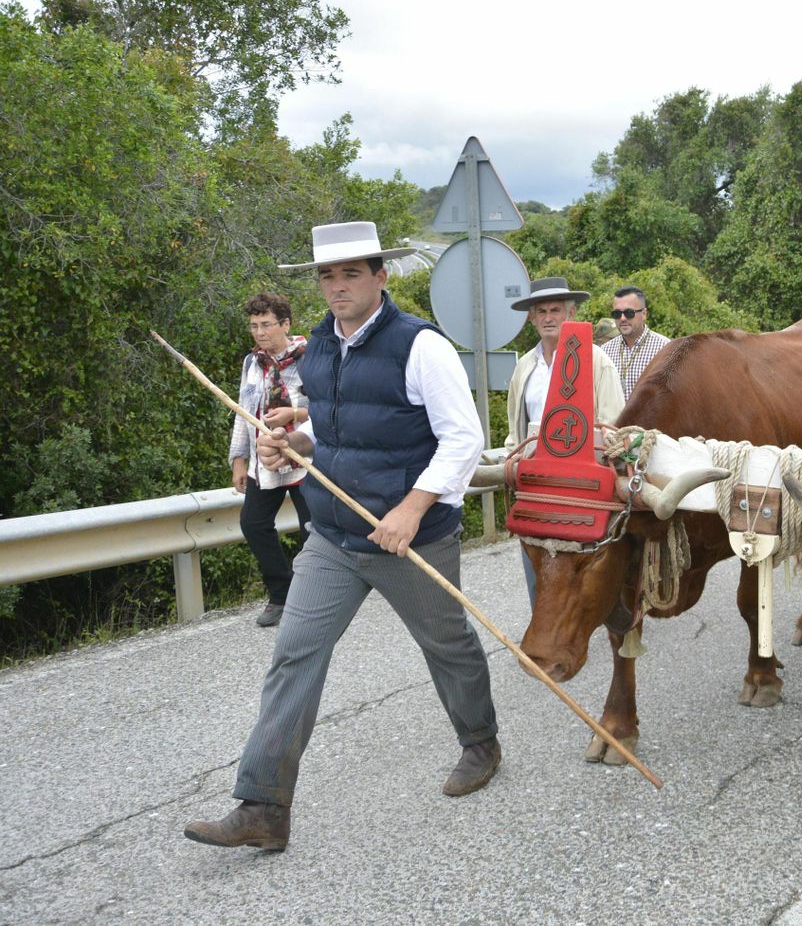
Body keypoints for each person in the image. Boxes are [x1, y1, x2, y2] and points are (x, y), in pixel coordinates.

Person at [185, 222, 501, 852]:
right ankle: (263, 806)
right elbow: (332, 434)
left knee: (448, 645)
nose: (337, 286)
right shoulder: (319, 348)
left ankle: (480, 743)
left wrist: (410, 511)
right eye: (327, 276)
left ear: (381, 276)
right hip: (333, 535)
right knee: (295, 653)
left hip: (410, 539)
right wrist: (294, 443)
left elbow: (464, 439)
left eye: (351, 273)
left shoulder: (420, 345)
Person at [504, 277, 625, 608]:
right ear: (531, 318)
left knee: (585, 566)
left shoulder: (597, 360)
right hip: (535, 482)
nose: (547, 317)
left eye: (556, 309)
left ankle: (593, 621)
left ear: (571, 313)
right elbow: (514, 429)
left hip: (581, 485)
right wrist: (511, 461)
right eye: (540, 310)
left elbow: (614, 423)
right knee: (537, 565)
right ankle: (541, 637)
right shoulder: (524, 368)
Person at [229, 292, 311, 628]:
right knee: (253, 523)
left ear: (285, 324)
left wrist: (294, 412)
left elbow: (334, 408)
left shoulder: (310, 357)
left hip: (305, 455)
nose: (260, 332)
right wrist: (238, 459)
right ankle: (281, 594)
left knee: (313, 528)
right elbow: (242, 412)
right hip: (266, 458)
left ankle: (309, 597)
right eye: (254, 326)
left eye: (266, 325)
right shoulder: (253, 364)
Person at [601, 285, 671, 402]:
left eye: (629, 313)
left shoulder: (665, 349)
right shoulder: (605, 351)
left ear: (644, 313)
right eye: (617, 314)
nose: (622, 318)